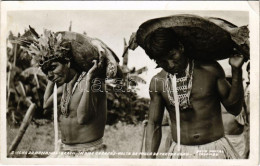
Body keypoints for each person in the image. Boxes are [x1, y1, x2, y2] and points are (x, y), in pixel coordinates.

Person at [144, 27, 245, 159]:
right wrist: (149, 160)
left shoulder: (210, 70)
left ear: (180, 47)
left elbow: (235, 109)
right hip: (180, 153)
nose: (170, 64)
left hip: (215, 151)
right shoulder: (158, 82)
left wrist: (236, 70)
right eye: (162, 61)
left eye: (172, 56)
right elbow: (154, 124)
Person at [23, 30, 113, 158]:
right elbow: (46, 104)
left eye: (54, 67)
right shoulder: (67, 86)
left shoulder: (93, 82)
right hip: (65, 151)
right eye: (46, 71)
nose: (49, 74)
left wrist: (89, 78)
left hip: (88, 154)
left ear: (68, 63)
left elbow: (82, 118)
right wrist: (51, 75)